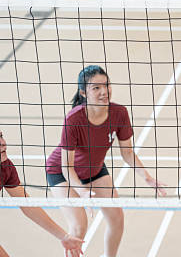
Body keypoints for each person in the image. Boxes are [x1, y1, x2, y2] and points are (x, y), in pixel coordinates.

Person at [45, 65, 166, 257]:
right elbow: (66, 167)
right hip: (61, 174)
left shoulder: (119, 113)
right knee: (78, 227)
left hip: (94, 169)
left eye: (106, 85)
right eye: (96, 88)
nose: (104, 91)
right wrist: (83, 193)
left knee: (116, 218)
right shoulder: (74, 119)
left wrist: (147, 177)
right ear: (83, 93)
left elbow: (127, 152)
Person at [0, 130, 83, 257]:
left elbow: (28, 206)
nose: (3, 143)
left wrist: (64, 236)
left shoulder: (5, 168)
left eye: (1, 136)